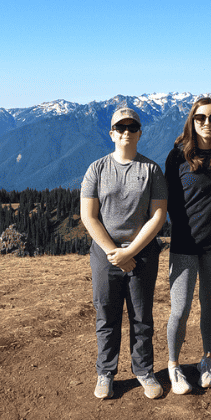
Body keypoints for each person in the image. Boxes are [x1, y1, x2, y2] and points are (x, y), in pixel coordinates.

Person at [80, 105, 167, 401]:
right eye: (120, 128)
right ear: (112, 134)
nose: (126, 132)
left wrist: (131, 251)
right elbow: (89, 216)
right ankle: (106, 372)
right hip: (106, 255)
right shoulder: (97, 169)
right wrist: (114, 252)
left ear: (140, 133)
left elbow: (157, 216)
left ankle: (143, 370)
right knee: (106, 314)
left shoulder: (152, 170)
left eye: (132, 128)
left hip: (142, 254)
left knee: (142, 316)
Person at [165, 97, 211, 394]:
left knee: (209, 304)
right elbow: (167, 201)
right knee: (180, 309)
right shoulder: (177, 156)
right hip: (184, 244)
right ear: (192, 121)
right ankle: (173, 364)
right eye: (201, 118)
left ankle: (206, 359)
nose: (207, 123)